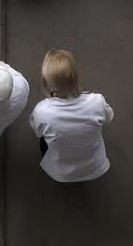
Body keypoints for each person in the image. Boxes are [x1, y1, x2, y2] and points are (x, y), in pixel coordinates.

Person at [29, 49, 114, 182]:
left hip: (62, 173)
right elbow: (108, 118)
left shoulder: (42, 111)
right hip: (96, 166)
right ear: (76, 77)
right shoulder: (97, 102)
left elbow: (38, 131)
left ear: (47, 83)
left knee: (44, 139)